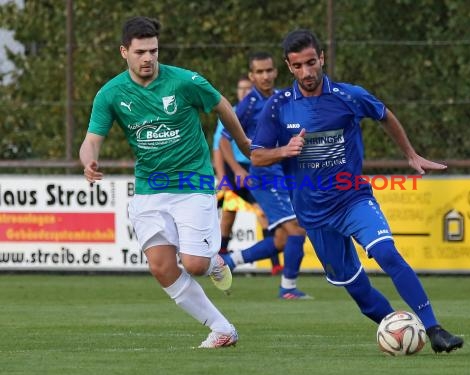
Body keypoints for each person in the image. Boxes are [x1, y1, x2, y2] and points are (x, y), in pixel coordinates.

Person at [250, 29, 464, 353]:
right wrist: (284, 150)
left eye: (311, 63)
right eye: (298, 66)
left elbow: (384, 115)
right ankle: (399, 329)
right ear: (288, 67)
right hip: (314, 215)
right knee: (359, 292)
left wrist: (410, 154)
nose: (307, 73)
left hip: (352, 199)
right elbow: (257, 155)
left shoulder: (349, 96)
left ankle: (434, 329)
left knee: (387, 253)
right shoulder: (278, 106)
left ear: (321, 58)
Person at [79, 16, 248, 349]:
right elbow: (91, 139)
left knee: (196, 265)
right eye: (140, 51)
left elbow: (222, 106)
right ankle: (222, 328)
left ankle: (212, 258)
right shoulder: (111, 93)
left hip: (192, 181)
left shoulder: (185, 82)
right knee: (160, 267)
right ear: (124, 52)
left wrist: (245, 145)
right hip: (149, 188)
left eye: (153, 51)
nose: (148, 58)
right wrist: (89, 161)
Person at [220, 51, 310, 299]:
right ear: (251, 76)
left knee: (281, 239)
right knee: (297, 229)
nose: (265, 76)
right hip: (264, 175)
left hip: (282, 173)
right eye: (259, 72)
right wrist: (238, 170)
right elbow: (223, 141)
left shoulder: (283, 98)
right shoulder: (248, 104)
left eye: (269, 70)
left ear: (276, 71)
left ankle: (229, 260)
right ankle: (288, 289)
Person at [212, 76, 283, 275]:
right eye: (240, 89)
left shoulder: (260, 111)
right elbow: (218, 147)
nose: (244, 93)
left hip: (253, 168)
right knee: (228, 214)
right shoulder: (230, 113)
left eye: (247, 89)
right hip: (233, 169)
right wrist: (223, 177)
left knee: (262, 212)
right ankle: (221, 259)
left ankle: (275, 264)